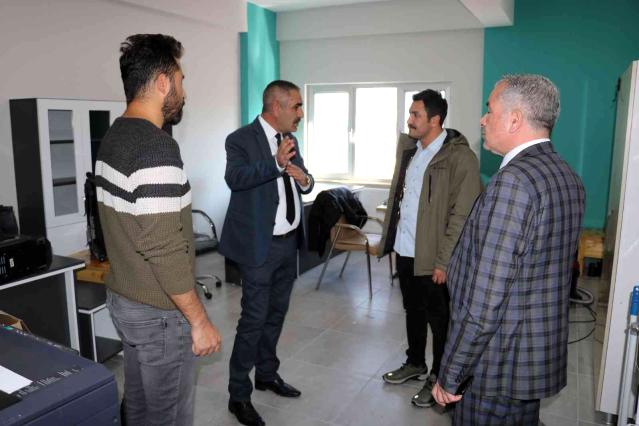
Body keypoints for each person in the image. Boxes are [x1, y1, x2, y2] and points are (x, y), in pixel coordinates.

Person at [432, 74, 585, 425]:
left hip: (496, 365)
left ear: (514, 120)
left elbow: (485, 300)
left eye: (490, 110)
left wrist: (452, 372)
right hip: (531, 359)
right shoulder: (566, 175)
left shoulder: (513, 182)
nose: (483, 119)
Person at [96, 34, 221, 426]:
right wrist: (199, 321)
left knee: (138, 406)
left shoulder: (115, 135)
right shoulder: (155, 148)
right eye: (181, 80)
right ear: (163, 82)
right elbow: (164, 249)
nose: (184, 92)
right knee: (169, 416)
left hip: (125, 299)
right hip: (159, 312)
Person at [219, 80, 314, 426]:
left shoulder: (289, 139)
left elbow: (304, 178)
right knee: (253, 320)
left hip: (289, 244)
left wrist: (305, 181)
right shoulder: (240, 139)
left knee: (276, 314)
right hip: (260, 247)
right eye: (296, 106)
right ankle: (238, 395)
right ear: (276, 107)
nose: (300, 113)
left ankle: (267, 374)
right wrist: (274, 163)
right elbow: (235, 178)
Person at [379, 89, 481, 408]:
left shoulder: (459, 158)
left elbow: (462, 214)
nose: (409, 120)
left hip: (435, 257)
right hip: (405, 249)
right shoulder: (412, 151)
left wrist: (444, 261)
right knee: (413, 310)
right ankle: (415, 363)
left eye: (416, 115)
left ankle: (439, 376)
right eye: (410, 114)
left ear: (435, 119)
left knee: (440, 321)